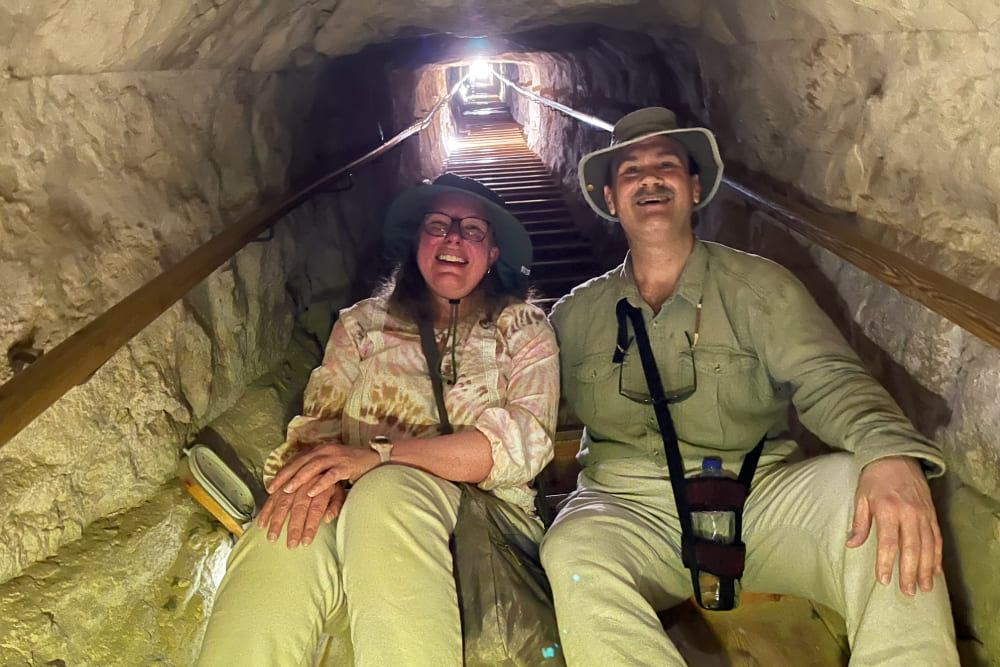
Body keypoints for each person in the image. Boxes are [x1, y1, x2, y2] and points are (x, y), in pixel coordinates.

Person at [540, 107, 959, 665]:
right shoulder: (573, 316)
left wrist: (887, 451)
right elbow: (521, 402)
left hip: (760, 499)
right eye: (630, 171)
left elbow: (829, 378)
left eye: (665, 164)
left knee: (881, 489)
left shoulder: (761, 288)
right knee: (571, 547)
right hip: (629, 510)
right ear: (612, 200)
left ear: (693, 188)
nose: (649, 178)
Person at [197, 174, 559, 666]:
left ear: (492, 253)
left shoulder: (524, 328)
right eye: (438, 224)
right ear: (418, 242)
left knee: (385, 493)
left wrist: (379, 458)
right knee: (280, 530)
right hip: (357, 503)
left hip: (483, 517)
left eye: (472, 229)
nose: (453, 237)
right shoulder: (361, 325)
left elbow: (525, 445)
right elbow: (317, 425)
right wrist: (318, 480)